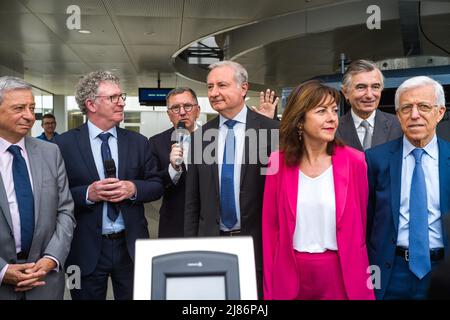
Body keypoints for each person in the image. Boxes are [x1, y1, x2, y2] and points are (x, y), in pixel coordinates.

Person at [56, 71, 164, 300]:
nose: (122, 102)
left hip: (131, 248)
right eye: (114, 97)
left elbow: (156, 185)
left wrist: (133, 189)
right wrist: (87, 193)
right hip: (84, 249)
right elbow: (54, 195)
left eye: (121, 96)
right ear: (91, 104)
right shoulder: (63, 144)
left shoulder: (138, 143)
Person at [262, 80, 374, 300]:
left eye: (334, 110)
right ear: (300, 120)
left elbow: (361, 224)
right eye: (321, 111)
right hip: (290, 273)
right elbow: (270, 231)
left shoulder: (355, 161)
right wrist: (270, 290)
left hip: (340, 273)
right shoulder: (277, 164)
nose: (332, 118)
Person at [184, 61, 279, 298]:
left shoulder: (273, 132)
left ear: (243, 88)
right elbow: (192, 204)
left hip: (259, 249)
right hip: (211, 247)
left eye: (222, 85)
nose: (214, 93)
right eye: (210, 87)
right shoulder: (201, 138)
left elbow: (282, 198)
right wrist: (190, 250)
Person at [366, 76, 449, 299]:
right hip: (391, 271)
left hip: (444, 270)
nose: (414, 115)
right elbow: (366, 222)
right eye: (406, 108)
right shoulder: (375, 160)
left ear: (440, 112)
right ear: (398, 116)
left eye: (423, 106)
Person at [0, 76, 75, 300]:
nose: (30, 116)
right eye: (19, 108)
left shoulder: (50, 153)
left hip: (45, 281)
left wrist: (52, 257)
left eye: (32, 108)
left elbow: (65, 211)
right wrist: (2, 271)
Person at [149, 87, 201, 238]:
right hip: (174, 223)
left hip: (208, 222)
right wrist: (173, 167)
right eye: (175, 108)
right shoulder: (156, 143)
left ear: (197, 110)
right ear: (169, 114)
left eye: (187, 106)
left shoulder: (215, 139)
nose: (182, 112)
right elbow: (155, 184)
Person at [336, 59, 403, 151]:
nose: (369, 95)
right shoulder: (333, 129)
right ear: (345, 92)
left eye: (375, 87)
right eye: (361, 87)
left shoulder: (399, 125)